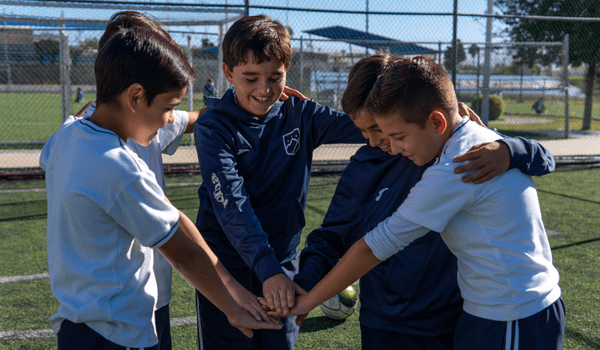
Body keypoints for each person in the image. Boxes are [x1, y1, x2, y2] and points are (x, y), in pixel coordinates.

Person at [283, 56, 565, 350]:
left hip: (487, 313)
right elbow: (332, 237)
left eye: (383, 131)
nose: (379, 142)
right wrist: (306, 285)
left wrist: (511, 148)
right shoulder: (397, 156)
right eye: (363, 132)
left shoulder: (458, 158)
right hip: (398, 319)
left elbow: (376, 245)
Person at [40, 25, 281, 350]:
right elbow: (184, 256)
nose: (171, 120)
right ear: (135, 96)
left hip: (74, 329)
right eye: (168, 106)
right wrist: (233, 309)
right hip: (121, 335)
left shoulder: (64, 138)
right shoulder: (121, 168)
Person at [193, 14, 365, 350]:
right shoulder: (213, 127)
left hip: (282, 264)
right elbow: (233, 206)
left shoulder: (301, 114)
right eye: (250, 77)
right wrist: (268, 270)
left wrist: (438, 114)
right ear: (228, 73)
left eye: (275, 78)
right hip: (226, 269)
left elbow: (369, 125)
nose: (264, 89)